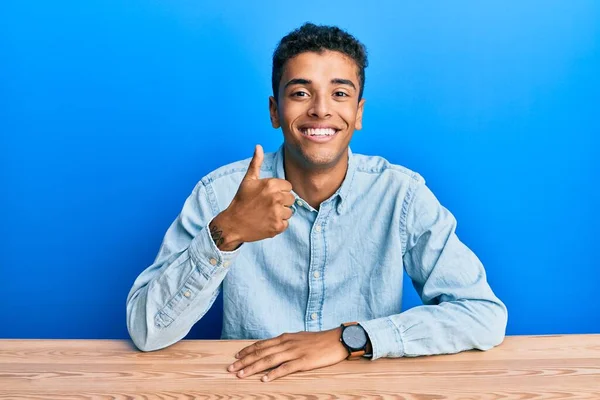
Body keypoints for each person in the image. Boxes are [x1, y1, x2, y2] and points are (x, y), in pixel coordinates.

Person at [126, 22, 508, 382]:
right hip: (253, 388)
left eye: (340, 93)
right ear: (275, 110)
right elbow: (146, 331)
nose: (321, 109)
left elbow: (482, 314)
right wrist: (227, 233)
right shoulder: (220, 193)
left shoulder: (400, 195)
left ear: (358, 113)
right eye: (300, 93)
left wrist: (349, 339)